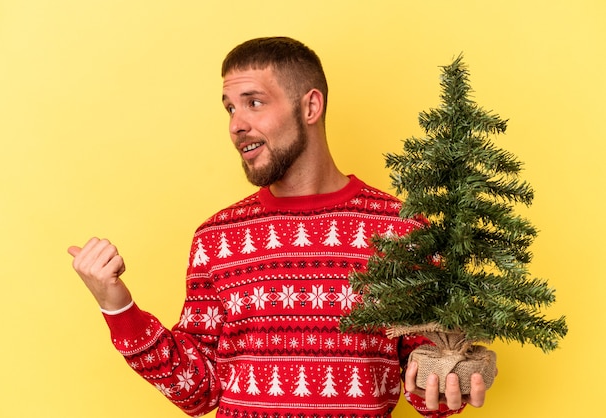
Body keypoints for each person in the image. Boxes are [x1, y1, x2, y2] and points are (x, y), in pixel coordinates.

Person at [68, 37, 487, 417]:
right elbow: (196, 391)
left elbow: (427, 386)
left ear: (310, 107)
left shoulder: (402, 229)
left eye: (253, 102)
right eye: (230, 107)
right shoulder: (217, 238)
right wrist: (117, 305)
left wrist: (452, 384)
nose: (236, 124)